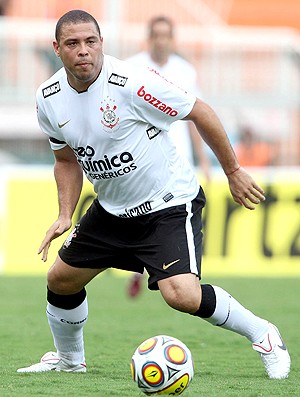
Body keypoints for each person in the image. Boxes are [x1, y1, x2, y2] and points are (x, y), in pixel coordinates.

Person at [17, 10, 290, 380]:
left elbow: (200, 112)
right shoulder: (48, 97)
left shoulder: (131, 82)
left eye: (90, 42)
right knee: (60, 280)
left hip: (167, 204)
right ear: (57, 49)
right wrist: (65, 214)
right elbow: (65, 159)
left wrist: (233, 171)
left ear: (101, 44)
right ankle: (69, 360)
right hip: (112, 210)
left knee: (182, 295)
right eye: (73, 44)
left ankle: (264, 334)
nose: (83, 51)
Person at [126, 16, 210, 297]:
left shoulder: (185, 71)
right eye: (156, 35)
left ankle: (181, 271)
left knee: (178, 213)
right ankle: (141, 268)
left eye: (166, 35)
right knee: (142, 213)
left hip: (178, 159)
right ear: (148, 38)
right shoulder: (133, 66)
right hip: (143, 157)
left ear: (173, 39)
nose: (161, 41)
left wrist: (204, 159)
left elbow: (196, 117)